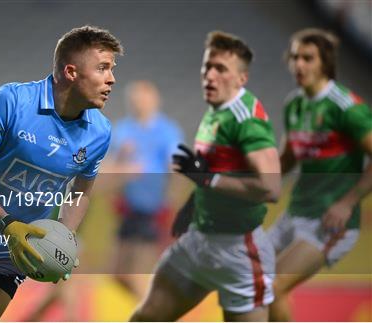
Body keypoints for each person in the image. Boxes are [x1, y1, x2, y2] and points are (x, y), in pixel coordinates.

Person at [0, 25, 123, 321]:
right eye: (103, 68)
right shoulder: (12, 102)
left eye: (112, 69)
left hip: (11, 252)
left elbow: (81, 192)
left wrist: (63, 237)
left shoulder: (100, 132)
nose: (111, 79)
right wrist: (6, 223)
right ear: (71, 72)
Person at [130, 31, 281, 322]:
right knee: (145, 317)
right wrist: (193, 203)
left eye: (221, 69)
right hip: (199, 241)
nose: (210, 75)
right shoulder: (215, 111)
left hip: (239, 252)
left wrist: (208, 180)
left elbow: (270, 187)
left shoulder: (246, 120)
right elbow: (213, 172)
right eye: (207, 67)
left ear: (241, 79)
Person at [268, 28, 372, 321]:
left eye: (308, 58)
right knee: (243, 281)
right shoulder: (295, 104)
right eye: (295, 58)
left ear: (324, 62)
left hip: (329, 222)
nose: (299, 64)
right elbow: (286, 160)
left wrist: (347, 202)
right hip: (295, 212)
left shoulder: (347, 107)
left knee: (272, 286)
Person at [109, 80, 183, 299]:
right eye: (134, 100)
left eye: (143, 98)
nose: (138, 104)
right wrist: (122, 160)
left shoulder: (167, 131)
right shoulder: (122, 129)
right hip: (128, 208)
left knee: (137, 273)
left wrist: (172, 203)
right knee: (118, 274)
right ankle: (154, 311)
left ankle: (155, 314)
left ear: (155, 100)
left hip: (152, 208)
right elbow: (111, 167)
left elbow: (176, 168)